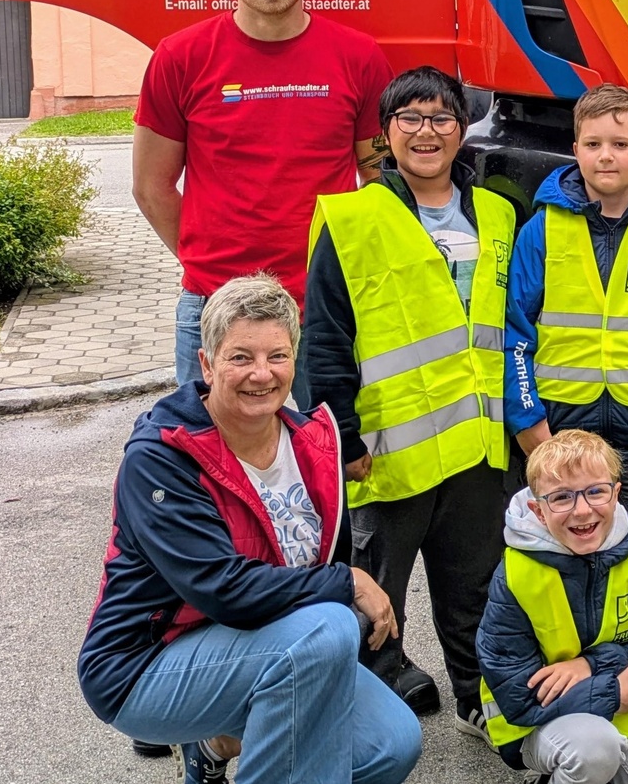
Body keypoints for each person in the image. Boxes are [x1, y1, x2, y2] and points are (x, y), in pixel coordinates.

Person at [77, 275, 420, 784]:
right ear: (207, 364)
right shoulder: (161, 458)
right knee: (328, 629)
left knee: (391, 745)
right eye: (241, 357)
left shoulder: (312, 444)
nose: (262, 374)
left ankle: (213, 746)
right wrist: (347, 581)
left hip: (264, 644)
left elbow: (319, 564)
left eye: (277, 356)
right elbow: (223, 589)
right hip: (145, 665)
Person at [303, 67, 513, 732]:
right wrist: (342, 432)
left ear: (462, 129)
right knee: (375, 591)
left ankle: (477, 698)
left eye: (442, 118)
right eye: (410, 119)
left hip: (477, 443)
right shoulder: (353, 216)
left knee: (473, 587)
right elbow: (326, 332)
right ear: (386, 134)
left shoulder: (500, 213)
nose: (427, 132)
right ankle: (367, 707)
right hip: (389, 448)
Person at [131, 0, 392, 405]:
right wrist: (204, 261)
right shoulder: (180, 58)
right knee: (209, 471)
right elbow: (150, 185)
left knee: (336, 461)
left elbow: (377, 175)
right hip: (215, 306)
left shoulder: (359, 57)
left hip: (326, 306)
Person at [504, 83, 628, 566]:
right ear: (575, 150)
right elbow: (514, 333)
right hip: (559, 427)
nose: (605, 157)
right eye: (593, 145)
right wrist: (530, 426)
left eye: (620, 144)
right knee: (556, 546)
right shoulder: (541, 228)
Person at [476, 429, 628, 784]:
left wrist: (590, 665)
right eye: (561, 497)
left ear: (616, 494)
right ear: (538, 511)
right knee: (593, 751)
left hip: (622, 712)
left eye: (595, 491)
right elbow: (516, 693)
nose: (582, 510)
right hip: (539, 723)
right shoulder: (515, 574)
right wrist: (613, 692)